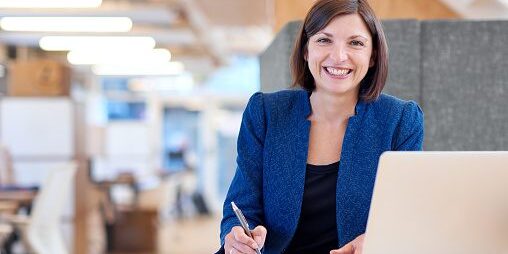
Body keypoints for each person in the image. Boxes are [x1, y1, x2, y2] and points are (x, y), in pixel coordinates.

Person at [217, 0, 424, 253]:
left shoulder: (400, 120)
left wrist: (376, 241)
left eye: (355, 43)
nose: (338, 56)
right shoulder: (266, 113)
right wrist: (236, 236)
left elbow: (405, 215)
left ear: (373, 56)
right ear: (306, 50)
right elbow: (241, 206)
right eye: (324, 40)